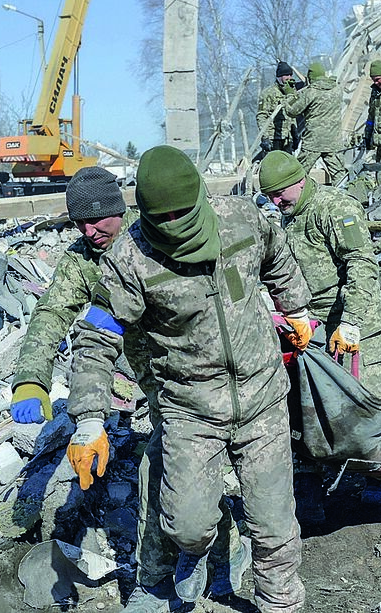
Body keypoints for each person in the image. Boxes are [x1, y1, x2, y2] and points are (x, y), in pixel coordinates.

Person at [65, 145, 310, 611]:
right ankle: (193, 554)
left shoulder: (241, 218)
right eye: (166, 216)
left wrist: (294, 306)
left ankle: (281, 602)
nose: (177, 223)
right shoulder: (130, 259)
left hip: (262, 400)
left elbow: (278, 256)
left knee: (274, 523)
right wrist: (89, 419)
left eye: (184, 211)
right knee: (187, 524)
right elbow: (96, 338)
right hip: (190, 409)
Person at [8, 166, 244, 612]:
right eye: (79, 222)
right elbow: (51, 314)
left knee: (191, 471)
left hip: (200, 370)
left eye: (98, 219)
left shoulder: (153, 236)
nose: (89, 230)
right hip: (154, 383)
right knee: (166, 469)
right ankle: (155, 580)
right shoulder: (83, 261)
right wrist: (30, 379)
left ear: (118, 210)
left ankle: (219, 556)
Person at [258, 150, 381, 524]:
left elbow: (361, 264)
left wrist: (351, 321)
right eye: (269, 196)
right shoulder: (283, 218)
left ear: (299, 180)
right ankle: (308, 490)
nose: (275, 202)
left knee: (365, 403)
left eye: (280, 193)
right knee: (303, 409)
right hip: (309, 328)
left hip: (350, 325)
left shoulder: (332, 208)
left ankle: (378, 478)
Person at [283, 61, 345, 186]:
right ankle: (347, 197)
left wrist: (290, 93)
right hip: (334, 141)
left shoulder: (310, 92)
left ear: (310, 78)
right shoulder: (337, 89)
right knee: (339, 174)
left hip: (314, 142)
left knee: (299, 173)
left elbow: (292, 111)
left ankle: (297, 200)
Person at [256, 61, 298, 158]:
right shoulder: (268, 93)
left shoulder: (291, 93)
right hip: (273, 138)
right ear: (279, 76)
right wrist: (265, 137)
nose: (289, 78)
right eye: (286, 75)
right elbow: (261, 116)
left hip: (287, 138)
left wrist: (295, 135)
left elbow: (293, 116)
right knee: (273, 167)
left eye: (290, 75)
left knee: (288, 168)